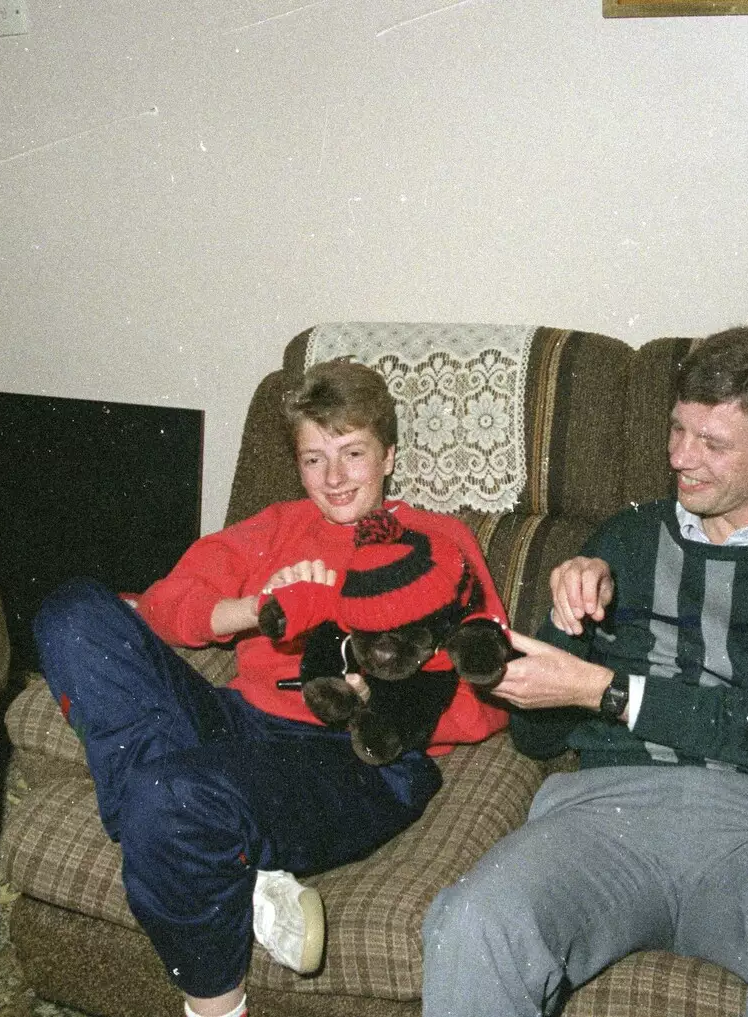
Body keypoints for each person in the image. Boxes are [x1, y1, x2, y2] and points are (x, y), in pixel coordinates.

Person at [421, 326, 748, 1017]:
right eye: (677, 429)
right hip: (606, 817)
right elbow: (535, 740)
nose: (680, 457)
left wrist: (608, 690)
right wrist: (565, 626)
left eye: (712, 443)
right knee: (473, 920)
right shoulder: (624, 538)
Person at [34, 359, 508, 1017]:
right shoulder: (278, 527)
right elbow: (168, 605)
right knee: (72, 613)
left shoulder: (437, 542)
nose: (335, 477)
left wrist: (377, 695)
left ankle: (217, 1005)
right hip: (243, 723)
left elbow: (490, 697)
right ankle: (235, 867)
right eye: (315, 459)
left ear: (389, 455)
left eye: (353, 453)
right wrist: (257, 607)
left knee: (165, 794)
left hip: (360, 761)